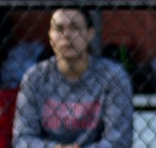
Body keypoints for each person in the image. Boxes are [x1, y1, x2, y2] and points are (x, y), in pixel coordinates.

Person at [13, 8, 133, 148]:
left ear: (90, 34)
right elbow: (22, 139)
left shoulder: (113, 76)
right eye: (59, 29)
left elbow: (119, 141)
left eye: (74, 28)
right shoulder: (35, 77)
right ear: (50, 37)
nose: (66, 35)